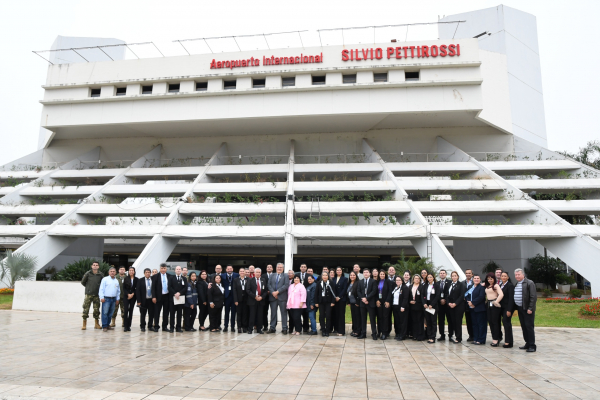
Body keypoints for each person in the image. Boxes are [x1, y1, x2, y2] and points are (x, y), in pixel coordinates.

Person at [514, 268, 537, 352]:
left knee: (529, 326)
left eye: (519, 274)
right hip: (520, 309)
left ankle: (532, 345)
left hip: (527, 309)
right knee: (523, 326)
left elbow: (533, 297)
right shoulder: (517, 283)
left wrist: (530, 308)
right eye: (516, 275)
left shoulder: (529, 283)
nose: (517, 276)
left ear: (523, 275)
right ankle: (527, 342)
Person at [81, 261, 103, 330]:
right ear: (92, 266)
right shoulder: (88, 273)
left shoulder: (101, 274)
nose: (95, 266)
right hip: (89, 294)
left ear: (98, 266)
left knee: (96, 310)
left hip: (96, 295)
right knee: (85, 309)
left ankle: (96, 324)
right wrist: (89, 288)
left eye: (96, 265)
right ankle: (84, 324)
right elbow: (83, 282)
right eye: (94, 265)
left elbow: (102, 284)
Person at [268, 263, 289, 334]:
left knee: (283, 313)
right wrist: (273, 293)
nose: (279, 268)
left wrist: (277, 292)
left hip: (282, 297)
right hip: (273, 297)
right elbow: (269, 285)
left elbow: (286, 285)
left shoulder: (285, 275)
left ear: (283, 269)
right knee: (273, 313)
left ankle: (284, 328)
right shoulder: (271, 275)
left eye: (281, 267)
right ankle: (272, 327)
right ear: (276, 268)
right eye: (278, 267)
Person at [484, 272, 504, 346]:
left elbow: (501, 294)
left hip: (494, 304)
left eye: (491, 279)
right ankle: (496, 337)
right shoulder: (488, 286)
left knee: (495, 322)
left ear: (494, 279)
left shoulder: (496, 285)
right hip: (488, 304)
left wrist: (496, 302)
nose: (490, 280)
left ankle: (496, 339)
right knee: (490, 322)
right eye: (488, 279)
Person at [357, 268, 377, 340]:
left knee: (372, 319)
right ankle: (363, 333)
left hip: (370, 303)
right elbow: (358, 291)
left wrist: (367, 298)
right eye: (364, 272)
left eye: (367, 272)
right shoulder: (360, 282)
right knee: (363, 319)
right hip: (362, 303)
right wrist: (363, 299)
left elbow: (374, 291)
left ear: (370, 274)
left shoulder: (373, 281)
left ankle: (374, 333)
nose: (365, 273)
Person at [98, 267, 120, 332]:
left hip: (113, 299)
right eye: (111, 271)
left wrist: (117, 299)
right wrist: (101, 297)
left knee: (111, 313)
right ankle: (104, 326)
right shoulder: (105, 279)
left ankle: (108, 325)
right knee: (105, 312)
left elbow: (118, 291)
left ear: (115, 273)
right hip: (106, 298)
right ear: (109, 272)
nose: (112, 272)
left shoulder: (116, 280)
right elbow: (101, 288)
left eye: (114, 271)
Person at [466, 274, 486, 345]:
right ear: (473, 279)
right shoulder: (471, 287)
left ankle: (481, 339)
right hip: (472, 309)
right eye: (475, 278)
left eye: (478, 278)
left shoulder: (481, 287)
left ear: (480, 280)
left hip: (479, 308)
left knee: (481, 324)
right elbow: (466, 295)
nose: (476, 279)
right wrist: (469, 302)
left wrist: (473, 303)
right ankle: (475, 338)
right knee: (474, 324)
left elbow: (481, 297)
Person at [246, 267, 267, 334]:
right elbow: (248, 290)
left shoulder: (263, 280)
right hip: (253, 300)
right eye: (256, 272)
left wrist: (262, 297)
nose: (258, 273)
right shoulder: (250, 280)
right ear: (254, 273)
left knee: (260, 316)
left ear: (260, 273)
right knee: (252, 315)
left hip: (261, 301)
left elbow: (266, 291)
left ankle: (259, 329)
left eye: (259, 272)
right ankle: (250, 329)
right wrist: (255, 296)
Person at [447, 271, 466, 343]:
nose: (454, 277)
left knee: (458, 322)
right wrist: (448, 303)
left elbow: (462, 296)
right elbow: (447, 295)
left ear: (458, 277)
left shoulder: (461, 284)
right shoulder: (449, 284)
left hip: (458, 306)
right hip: (450, 306)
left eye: (455, 276)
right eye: (452, 276)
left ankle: (458, 338)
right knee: (452, 322)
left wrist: (455, 303)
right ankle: (452, 335)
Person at [151, 263, 171, 332]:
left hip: (167, 296)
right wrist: (153, 297)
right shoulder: (155, 276)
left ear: (166, 269)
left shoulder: (169, 276)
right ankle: (156, 326)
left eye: (164, 268)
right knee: (157, 312)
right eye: (162, 268)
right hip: (158, 297)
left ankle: (164, 327)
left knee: (166, 312)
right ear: (160, 269)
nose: (163, 269)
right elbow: (153, 288)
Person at [316, 271, 336, 337]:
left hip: (329, 302)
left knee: (328, 316)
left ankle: (327, 331)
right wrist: (316, 302)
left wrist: (333, 302)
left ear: (328, 276)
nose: (324, 276)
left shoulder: (331, 283)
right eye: (323, 275)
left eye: (326, 275)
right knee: (321, 316)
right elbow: (316, 293)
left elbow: (334, 293)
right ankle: (323, 330)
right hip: (321, 302)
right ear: (321, 276)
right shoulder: (319, 283)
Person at [168, 265, 187, 333]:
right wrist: (175, 293)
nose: (178, 270)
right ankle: (171, 328)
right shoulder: (171, 278)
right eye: (177, 269)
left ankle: (178, 327)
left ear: (181, 271)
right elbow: (169, 287)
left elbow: (185, 288)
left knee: (179, 314)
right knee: (172, 314)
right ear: (175, 270)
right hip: (172, 299)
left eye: (179, 269)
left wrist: (179, 293)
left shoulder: (184, 279)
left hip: (180, 298)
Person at [389, 276, 409, 340]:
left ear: (402, 281)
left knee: (402, 322)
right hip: (395, 306)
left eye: (399, 280)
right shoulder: (395, 288)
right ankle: (398, 333)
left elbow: (405, 298)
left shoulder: (404, 288)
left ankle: (403, 335)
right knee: (397, 321)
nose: (397, 281)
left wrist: (403, 306)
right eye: (396, 280)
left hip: (401, 307)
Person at [221, 265, 239, 333]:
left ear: (233, 269)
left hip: (234, 296)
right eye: (228, 269)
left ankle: (232, 327)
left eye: (230, 268)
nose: (229, 270)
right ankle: (225, 326)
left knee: (233, 312)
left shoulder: (236, 275)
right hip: (226, 296)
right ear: (226, 270)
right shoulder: (222, 276)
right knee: (226, 312)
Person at [498, 271, 514, 348]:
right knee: (503, 323)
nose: (503, 277)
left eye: (505, 276)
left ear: (508, 277)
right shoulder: (500, 285)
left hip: (507, 308)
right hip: (500, 307)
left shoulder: (510, 285)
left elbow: (511, 299)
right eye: (502, 276)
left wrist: (509, 310)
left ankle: (508, 341)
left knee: (506, 323)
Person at [136, 268, 154, 332]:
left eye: (149, 272)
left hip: (151, 300)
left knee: (151, 314)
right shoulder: (140, 280)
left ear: (150, 273)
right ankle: (142, 326)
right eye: (146, 272)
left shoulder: (153, 280)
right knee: (143, 314)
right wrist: (138, 301)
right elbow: (137, 291)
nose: (147, 273)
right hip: (143, 300)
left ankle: (150, 326)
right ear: (144, 273)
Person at [375, 270, 392, 340]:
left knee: (385, 317)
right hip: (379, 301)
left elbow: (390, 292)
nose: (382, 275)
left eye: (383, 274)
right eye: (381, 274)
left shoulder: (388, 282)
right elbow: (374, 292)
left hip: (386, 302)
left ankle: (385, 333)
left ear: (385, 275)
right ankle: (379, 331)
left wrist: (388, 301)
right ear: (379, 275)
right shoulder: (376, 282)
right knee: (379, 317)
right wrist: (377, 300)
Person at [423, 273, 439, 343]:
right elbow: (423, 295)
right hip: (427, 305)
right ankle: (429, 336)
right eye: (428, 277)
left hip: (433, 306)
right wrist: (424, 303)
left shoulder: (436, 285)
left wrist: (432, 304)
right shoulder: (425, 285)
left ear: (433, 278)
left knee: (433, 322)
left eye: (430, 277)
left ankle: (433, 337)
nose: (429, 278)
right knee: (428, 321)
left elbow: (437, 296)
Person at [408, 275, 425, 341]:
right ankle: (414, 335)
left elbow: (423, 297)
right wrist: (410, 301)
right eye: (415, 278)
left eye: (418, 278)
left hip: (419, 306)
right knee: (414, 321)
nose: (417, 280)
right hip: (412, 307)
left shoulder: (422, 287)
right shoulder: (410, 287)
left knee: (420, 321)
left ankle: (420, 335)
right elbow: (409, 296)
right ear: (413, 279)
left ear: (420, 280)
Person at [333, 266, 349, 336]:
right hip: (335, 299)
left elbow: (345, 289)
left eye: (340, 270)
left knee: (341, 315)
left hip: (342, 299)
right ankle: (336, 329)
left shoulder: (345, 279)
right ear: (336, 272)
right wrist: (335, 297)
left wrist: (339, 297)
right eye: (337, 270)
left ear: (342, 271)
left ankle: (341, 331)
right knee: (336, 314)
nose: (339, 271)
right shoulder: (333, 279)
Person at [437, 269, 451, 341]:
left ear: (446, 274)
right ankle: (442, 335)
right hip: (440, 305)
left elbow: (450, 293)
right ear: (439, 274)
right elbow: (436, 294)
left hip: (448, 304)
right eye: (441, 273)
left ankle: (450, 335)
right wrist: (440, 299)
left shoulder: (450, 282)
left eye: (443, 273)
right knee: (441, 320)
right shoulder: (437, 283)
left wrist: (445, 299)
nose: (442, 274)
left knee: (449, 320)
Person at [233, 267, 249, 333]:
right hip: (238, 299)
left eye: (243, 271)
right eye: (241, 271)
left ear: (245, 272)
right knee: (239, 313)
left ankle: (244, 327)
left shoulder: (248, 279)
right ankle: (239, 327)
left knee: (245, 313)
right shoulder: (235, 280)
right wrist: (235, 300)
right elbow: (234, 290)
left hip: (246, 299)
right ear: (239, 272)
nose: (242, 272)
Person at [296, 263, 311, 332]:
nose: (303, 268)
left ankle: (306, 328)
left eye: (304, 267)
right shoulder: (297, 275)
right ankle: (298, 327)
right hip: (297, 297)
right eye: (302, 267)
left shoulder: (309, 275)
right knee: (298, 313)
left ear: (306, 268)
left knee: (305, 314)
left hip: (306, 297)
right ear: (300, 268)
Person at [123, 267, 138, 332]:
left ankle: (129, 326)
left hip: (133, 297)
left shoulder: (137, 279)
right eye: (130, 270)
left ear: (134, 272)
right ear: (128, 271)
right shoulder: (125, 278)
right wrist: (128, 294)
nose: (131, 271)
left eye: (132, 270)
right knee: (126, 310)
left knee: (131, 311)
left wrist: (132, 294)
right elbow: (124, 288)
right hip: (126, 296)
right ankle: (125, 326)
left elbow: (137, 288)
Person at [347, 271, 361, 337]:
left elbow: (359, 293)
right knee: (354, 317)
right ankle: (354, 330)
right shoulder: (349, 283)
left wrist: (358, 302)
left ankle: (358, 331)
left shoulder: (358, 283)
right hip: (351, 303)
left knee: (358, 317)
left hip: (356, 303)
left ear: (356, 276)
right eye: (351, 275)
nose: (352, 276)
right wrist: (348, 302)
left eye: (353, 275)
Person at [463, 269, 474, 342]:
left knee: (474, 321)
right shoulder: (462, 283)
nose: (468, 274)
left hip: (474, 304)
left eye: (469, 273)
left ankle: (475, 335)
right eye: (466, 273)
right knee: (468, 321)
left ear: (472, 274)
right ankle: (470, 335)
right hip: (465, 305)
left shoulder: (475, 281)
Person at [263, 264, 274, 331]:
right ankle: (265, 326)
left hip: (273, 295)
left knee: (273, 312)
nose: (269, 268)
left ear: (272, 268)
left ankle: (273, 326)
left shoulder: (275, 275)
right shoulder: (263, 275)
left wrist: (272, 291)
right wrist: (266, 291)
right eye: (268, 267)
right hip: (265, 296)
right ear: (266, 268)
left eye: (270, 267)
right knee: (264, 312)